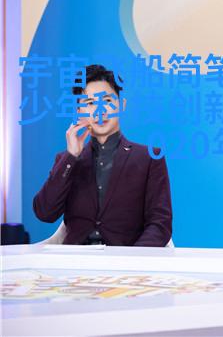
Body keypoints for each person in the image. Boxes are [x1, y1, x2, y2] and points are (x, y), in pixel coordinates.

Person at [33, 64, 173, 246]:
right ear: (79, 111)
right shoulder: (66, 161)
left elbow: (160, 225)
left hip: (125, 259)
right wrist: (71, 157)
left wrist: (132, 258)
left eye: (107, 101)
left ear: (121, 105)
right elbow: (44, 213)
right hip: (74, 259)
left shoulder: (149, 158)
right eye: (90, 103)